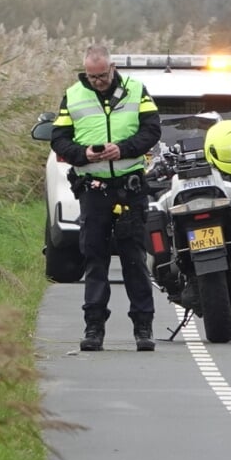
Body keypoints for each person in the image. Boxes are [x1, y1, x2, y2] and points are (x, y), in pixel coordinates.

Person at [51, 45, 162, 352]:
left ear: (113, 68)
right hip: (93, 189)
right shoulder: (73, 95)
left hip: (131, 188)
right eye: (92, 76)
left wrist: (124, 149)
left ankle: (143, 327)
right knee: (95, 259)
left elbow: (152, 130)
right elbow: (58, 138)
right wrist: (83, 155)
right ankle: (94, 328)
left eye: (102, 76)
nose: (97, 81)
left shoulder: (136, 91)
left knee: (134, 260)